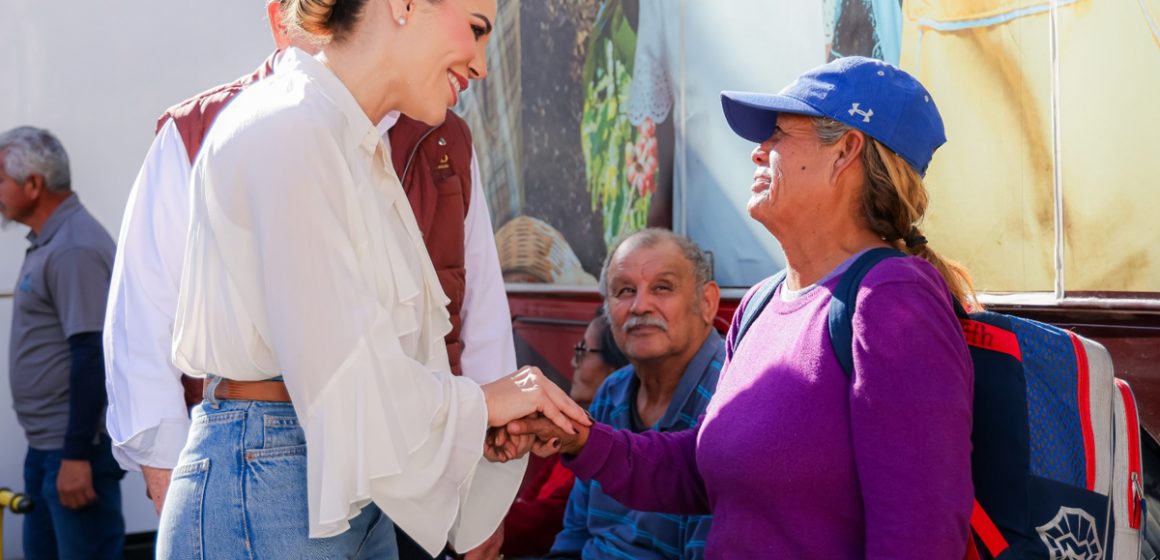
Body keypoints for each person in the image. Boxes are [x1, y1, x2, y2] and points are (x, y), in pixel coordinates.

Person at [155, 1, 590, 558]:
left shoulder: (341, 137)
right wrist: (483, 405)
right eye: (477, 29)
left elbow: (380, 369)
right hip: (274, 475)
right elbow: (345, 376)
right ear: (404, 5)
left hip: (320, 477)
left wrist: (479, 423)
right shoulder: (290, 125)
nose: (482, 64)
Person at [509, 57, 976, 558]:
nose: (758, 153)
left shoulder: (891, 298)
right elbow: (702, 469)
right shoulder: (759, 304)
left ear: (845, 151)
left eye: (777, 135)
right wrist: (579, 438)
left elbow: (919, 534)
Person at [547, 229, 720, 560]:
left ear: (707, 302)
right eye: (625, 291)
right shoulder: (612, 392)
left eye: (662, 288)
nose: (640, 306)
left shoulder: (729, 394)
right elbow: (575, 533)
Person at [0, 127, 124, 559]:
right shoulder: (52, 242)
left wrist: (76, 457)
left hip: (73, 454)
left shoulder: (74, 247)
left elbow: (92, 356)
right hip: (51, 449)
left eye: (1, 180)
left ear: (33, 184)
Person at [499, 310, 628, 558]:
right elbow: (530, 503)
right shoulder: (571, 436)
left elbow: (544, 520)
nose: (573, 362)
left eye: (581, 351)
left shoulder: (599, 447)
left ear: (615, 369)